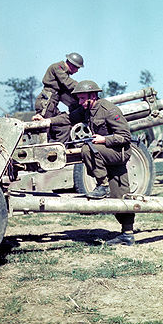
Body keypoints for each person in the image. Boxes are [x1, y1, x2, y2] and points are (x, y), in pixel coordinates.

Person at [50, 79, 135, 246]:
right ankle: (127, 235)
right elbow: (68, 119)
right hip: (106, 153)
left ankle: (102, 185)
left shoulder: (108, 110)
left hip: (119, 152)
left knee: (87, 149)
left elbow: (125, 137)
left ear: (93, 96)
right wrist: (46, 122)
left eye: (83, 99)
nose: (80, 102)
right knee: (121, 197)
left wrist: (104, 139)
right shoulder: (86, 110)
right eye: (79, 99)